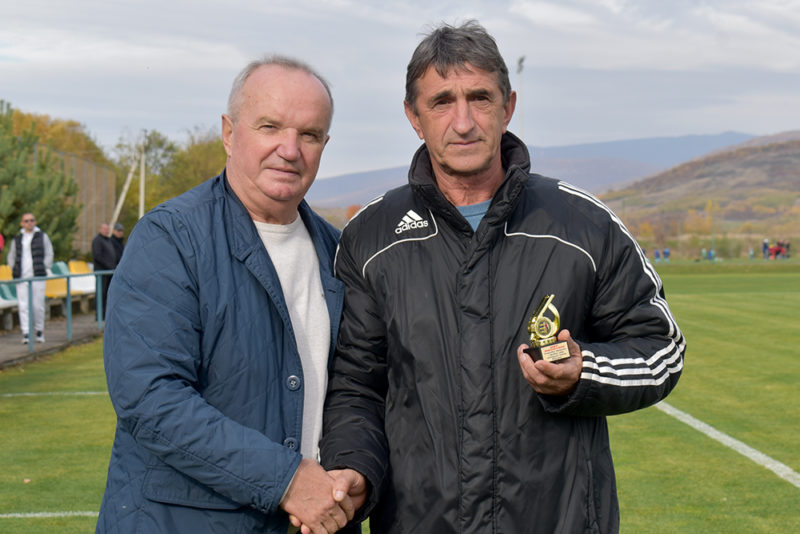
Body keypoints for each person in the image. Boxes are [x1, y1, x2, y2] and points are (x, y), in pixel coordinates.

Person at [320, 21, 685, 534]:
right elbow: (355, 385)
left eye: (480, 98)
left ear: (508, 107)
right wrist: (353, 465)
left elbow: (661, 350)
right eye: (442, 102)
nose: (463, 121)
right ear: (413, 117)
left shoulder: (582, 225)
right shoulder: (372, 238)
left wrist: (584, 371)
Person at [97, 55, 361, 534]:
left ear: (325, 145)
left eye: (309, 134)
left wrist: (356, 470)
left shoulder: (338, 251)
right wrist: (285, 480)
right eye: (269, 126)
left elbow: (355, 388)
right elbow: (150, 396)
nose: (289, 150)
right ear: (228, 132)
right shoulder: (171, 238)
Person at [6, 213, 53, 344]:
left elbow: (49, 253)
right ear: (22, 223)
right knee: (23, 306)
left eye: (31, 220)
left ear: (35, 222)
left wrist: (44, 266)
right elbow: (11, 256)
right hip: (22, 278)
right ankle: (26, 332)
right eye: (26, 221)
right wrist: (14, 269)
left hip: (37, 277)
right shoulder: (17, 239)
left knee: (38, 306)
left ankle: (39, 330)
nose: (29, 223)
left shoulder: (42, 237)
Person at [91, 222, 117, 319]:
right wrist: (108, 266)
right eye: (105, 229)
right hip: (101, 272)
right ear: (100, 229)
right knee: (101, 293)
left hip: (109, 272)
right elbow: (97, 256)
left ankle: (105, 313)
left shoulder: (108, 240)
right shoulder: (97, 240)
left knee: (107, 293)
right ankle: (99, 314)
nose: (107, 231)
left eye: (108, 229)